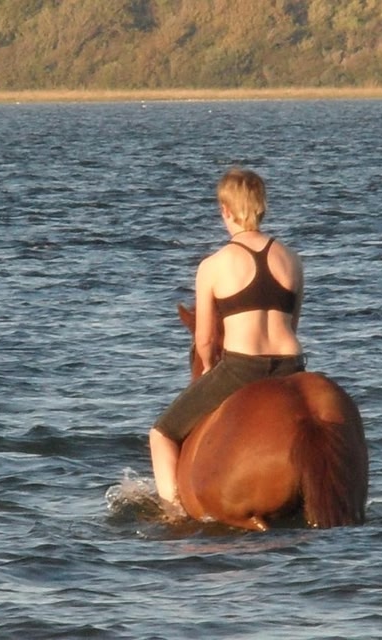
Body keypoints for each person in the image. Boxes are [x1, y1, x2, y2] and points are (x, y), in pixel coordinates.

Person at [149, 168, 306, 509]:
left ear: (225, 210)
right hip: (292, 366)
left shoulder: (213, 265)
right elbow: (292, 324)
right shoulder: (293, 260)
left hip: (242, 368)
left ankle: (172, 512)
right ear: (262, 206)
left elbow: (205, 339)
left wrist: (208, 368)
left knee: (161, 434)